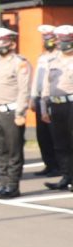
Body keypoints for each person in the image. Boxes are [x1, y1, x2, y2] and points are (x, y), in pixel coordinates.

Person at [0, 27, 31, 198]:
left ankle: (12, 186)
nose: (0, 46)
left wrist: (20, 113)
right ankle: (2, 184)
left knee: (13, 151)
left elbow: (24, 90)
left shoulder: (19, 62)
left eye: (4, 43)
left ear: (12, 44)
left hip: (11, 113)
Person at [42, 25, 73, 191]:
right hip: (55, 104)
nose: (62, 44)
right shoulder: (52, 61)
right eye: (60, 41)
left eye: (66, 41)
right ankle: (66, 175)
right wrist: (44, 108)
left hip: (71, 104)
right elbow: (47, 86)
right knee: (60, 143)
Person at [31, 24, 60, 176]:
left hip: (53, 99)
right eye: (45, 39)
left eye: (50, 39)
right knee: (42, 136)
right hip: (40, 98)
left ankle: (59, 166)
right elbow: (37, 79)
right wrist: (32, 96)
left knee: (54, 134)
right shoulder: (42, 57)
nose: (47, 41)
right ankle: (49, 164)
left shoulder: (60, 57)